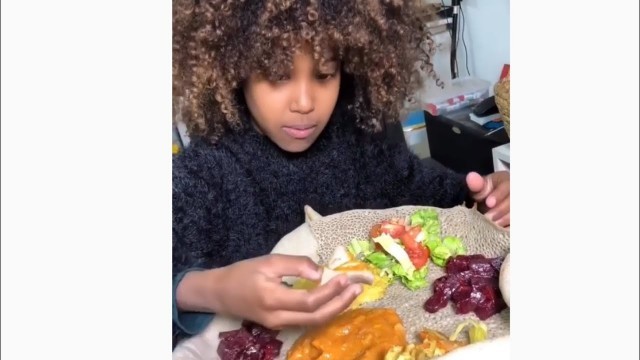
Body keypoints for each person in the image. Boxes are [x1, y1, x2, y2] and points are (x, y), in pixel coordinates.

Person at [171, 0, 510, 348]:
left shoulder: (362, 140)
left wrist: (487, 198)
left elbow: (434, 198)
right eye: (276, 74)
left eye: (323, 75)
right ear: (233, 69)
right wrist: (208, 290)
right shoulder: (201, 176)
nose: (304, 102)